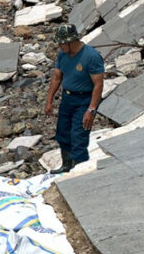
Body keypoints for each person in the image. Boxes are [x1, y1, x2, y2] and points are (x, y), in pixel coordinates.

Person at [44, 25, 104, 173]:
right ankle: (66, 166)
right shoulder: (62, 54)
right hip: (67, 99)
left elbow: (98, 84)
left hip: (84, 101)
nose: (60, 46)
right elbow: (57, 78)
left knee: (79, 137)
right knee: (63, 133)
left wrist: (91, 109)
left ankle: (80, 171)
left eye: (62, 43)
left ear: (72, 41)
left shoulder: (91, 56)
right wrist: (49, 101)